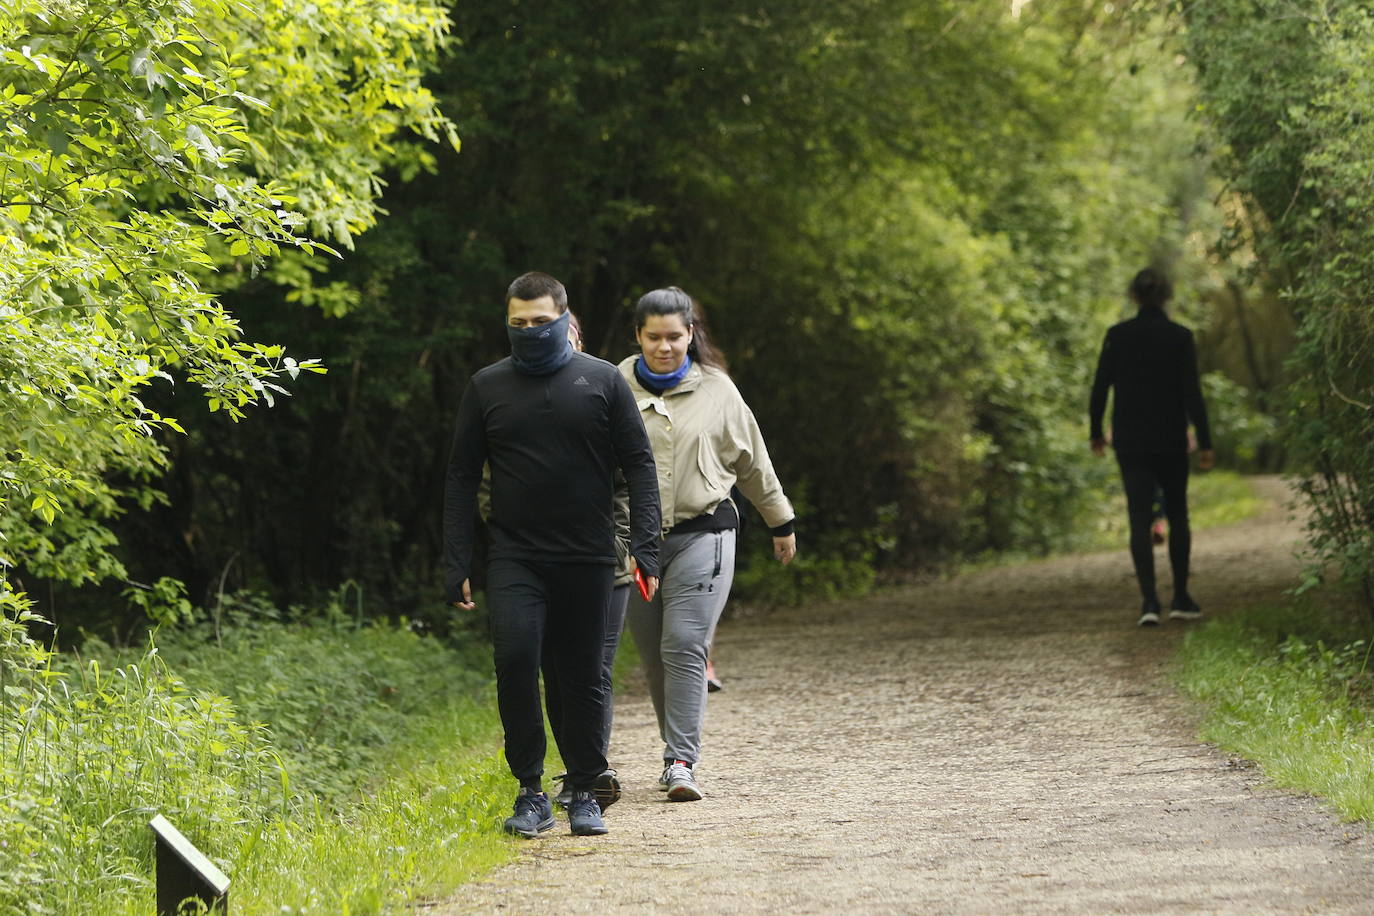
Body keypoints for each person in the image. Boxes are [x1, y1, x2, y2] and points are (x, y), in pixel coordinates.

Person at [444, 272, 661, 838]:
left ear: (565, 320)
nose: (530, 332)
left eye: (541, 322)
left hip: (588, 556)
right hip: (516, 557)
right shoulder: (487, 387)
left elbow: (639, 463)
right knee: (515, 662)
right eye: (518, 324)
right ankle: (529, 791)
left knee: (583, 675)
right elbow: (463, 475)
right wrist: (456, 560)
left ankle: (584, 788)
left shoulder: (602, 382)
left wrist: (645, 548)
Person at [619, 287, 796, 801]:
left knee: (683, 646)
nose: (665, 347)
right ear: (638, 336)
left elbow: (753, 461)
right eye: (654, 337)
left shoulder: (717, 390)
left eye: (675, 336)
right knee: (653, 655)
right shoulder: (612, 387)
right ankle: (671, 746)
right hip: (635, 542)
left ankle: (680, 761)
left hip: (706, 532)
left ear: (691, 334)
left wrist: (779, 519)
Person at [1089, 267, 1214, 628]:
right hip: (1172, 439)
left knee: (1139, 517)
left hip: (1130, 441)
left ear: (1134, 296)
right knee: (1178, 515)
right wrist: (1204, 441)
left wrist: (1097, 431)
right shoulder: (1180, 337)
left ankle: (1148, 602)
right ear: (1167, 296)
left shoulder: (1117, 336)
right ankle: (1181, 597)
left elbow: (1100, 389)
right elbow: (1192, 393)